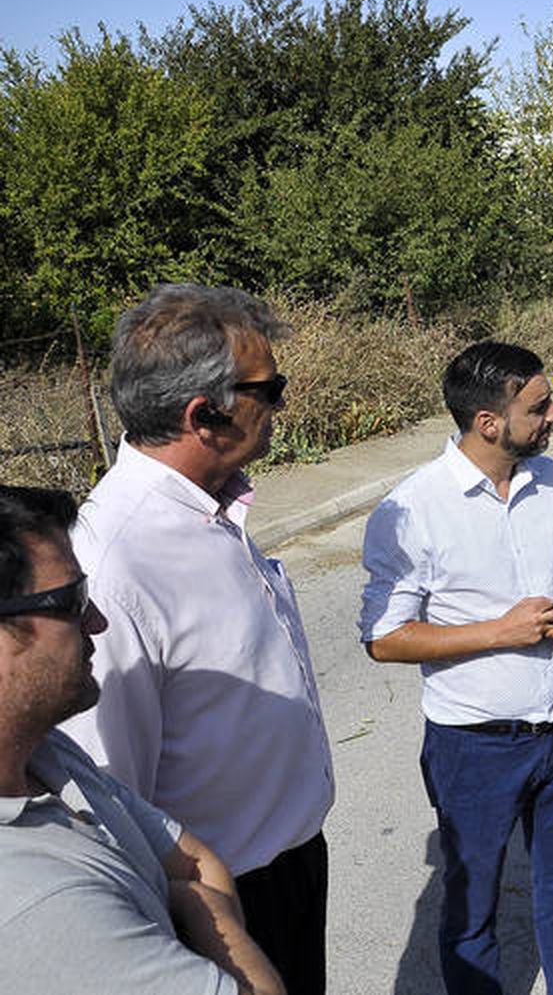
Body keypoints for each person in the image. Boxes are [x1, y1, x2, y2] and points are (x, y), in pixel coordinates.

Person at [61, 284, 335, 995]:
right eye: (268, 388)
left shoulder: (212, 507)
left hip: (293, 865)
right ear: (203, 414)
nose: (279, 405)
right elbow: (110, 799)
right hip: (226, 907)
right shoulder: (118, 564)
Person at [359, 341, 553, 995]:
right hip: (473, 746)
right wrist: (501, 632)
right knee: (472, 906)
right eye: (539, 406)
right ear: (488, 422)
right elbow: (383, 638)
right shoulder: (413, 509)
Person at [0, 483, 285, 995]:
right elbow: (202, 887)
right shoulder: (37, 903)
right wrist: (201, 909)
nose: (98, 620)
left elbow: (200, 863)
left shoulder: (43, 751)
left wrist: (194, 895)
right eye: (72, 601)